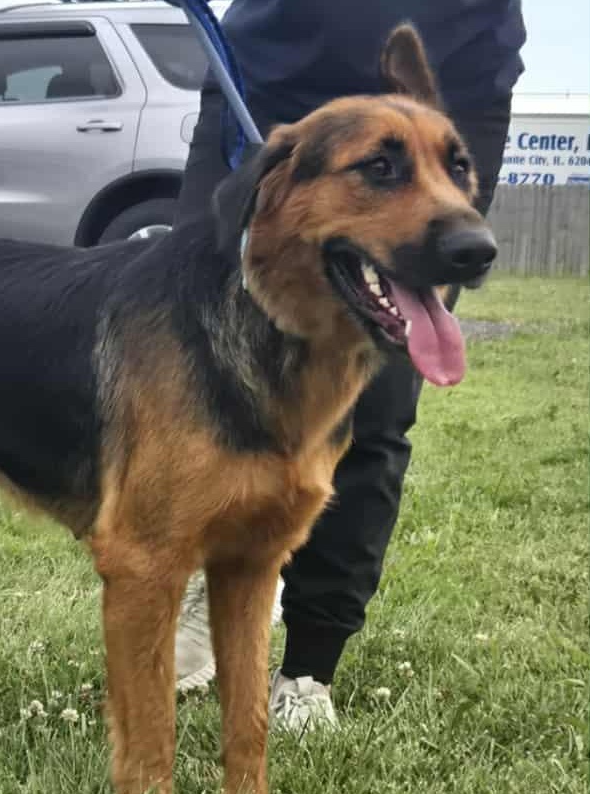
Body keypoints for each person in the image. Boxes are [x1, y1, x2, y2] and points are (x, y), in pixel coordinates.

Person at [174, 0, 526, 731]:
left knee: (374, 398)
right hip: (273, 74)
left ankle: (308, 663)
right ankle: (212, 577)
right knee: (195, 365)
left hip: (446, 73)